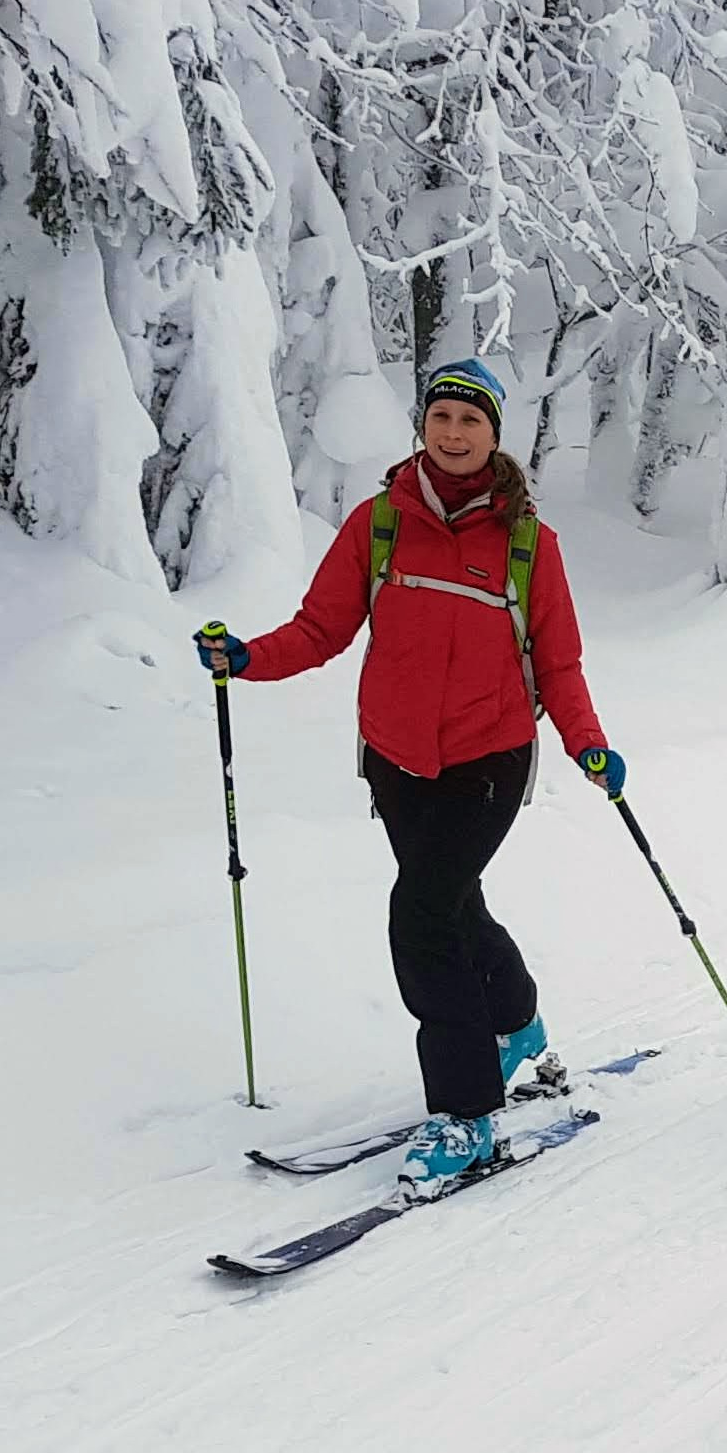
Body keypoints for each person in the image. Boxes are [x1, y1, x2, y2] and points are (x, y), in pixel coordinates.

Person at [194, 359, 621, 1190]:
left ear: (496, 436)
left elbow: (559, 664)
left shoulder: (529, 544)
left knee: (421, 916)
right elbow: (320, 629)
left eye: (471, 422)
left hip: (490, 758)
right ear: (422, 427)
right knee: (453, 904)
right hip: (394, 759)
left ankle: (467, 1114)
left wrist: (587, 743)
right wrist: (246, 658)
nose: (453, 435)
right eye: (441, 419)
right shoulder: (379, 524)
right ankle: (516, 1023)